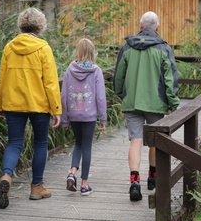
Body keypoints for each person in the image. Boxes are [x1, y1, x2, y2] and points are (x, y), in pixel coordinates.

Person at [0, 7, 62, 209]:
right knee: (40, 143)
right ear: (40, 26)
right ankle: (36, 188)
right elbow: (50, 82)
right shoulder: (43, 48)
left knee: (14, 143)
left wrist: (0, 104)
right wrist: (56, 109)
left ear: (21, 25)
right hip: (38, 104)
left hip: (13, 104)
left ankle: (6, 175)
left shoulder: (9, 47)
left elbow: (2, 79)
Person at [113, 11, 179, 201]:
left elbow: (119, 76)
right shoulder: (163, 48)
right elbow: (170, 78)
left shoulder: (127, 46)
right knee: (154, 141)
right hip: (156, 103)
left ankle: (134, 181)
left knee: (136, 140)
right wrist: (173, 103)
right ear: (157, 27)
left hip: (132, 102)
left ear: (141, 25)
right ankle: (153, 177)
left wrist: (122, 94)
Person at [61, 38, 107, 196]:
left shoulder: (69, 70)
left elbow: (64, 96)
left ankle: (72, 172)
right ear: (92, 51)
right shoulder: (96, 71)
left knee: (78, 144)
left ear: (77, 51)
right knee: (87, 146)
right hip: (89, 115)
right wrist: (103, 118)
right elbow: (100, 97)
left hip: (74, 115)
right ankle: (84, 184)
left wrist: (64, 119)